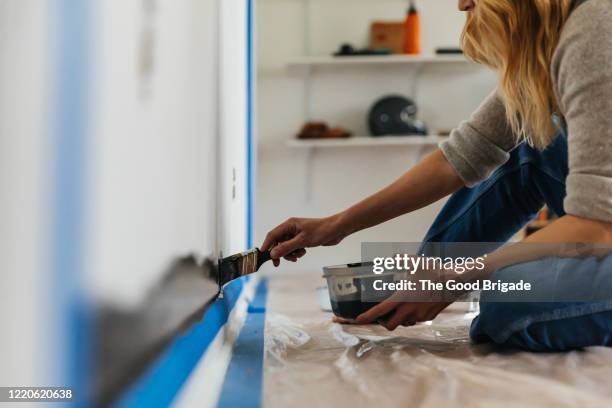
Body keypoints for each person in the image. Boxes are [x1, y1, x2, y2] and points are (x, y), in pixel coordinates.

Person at [262, 0, 612, 351]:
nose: (461, 4)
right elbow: (461, 156)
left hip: (601, 229)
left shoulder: (596, 26)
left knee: (507, 303)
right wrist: (334, 226)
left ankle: (439, 282)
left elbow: (597, 225)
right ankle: (418, 284)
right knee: (530, 148)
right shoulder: (550, 45)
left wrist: (454, 279)